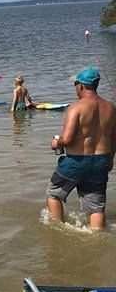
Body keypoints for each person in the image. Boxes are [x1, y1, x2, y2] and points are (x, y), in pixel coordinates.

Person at [47, 66, 116, 231]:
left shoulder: (75, 107)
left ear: (81, 85)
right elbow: (114, 138)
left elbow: (67, 139)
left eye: (75, 84)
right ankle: (97, 236)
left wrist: (56, 143)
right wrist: (111, 160)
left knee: (54, 194)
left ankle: (58, 231)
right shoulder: (111, 108)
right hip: (102, 160)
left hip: (76, 160)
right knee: (96, 206)